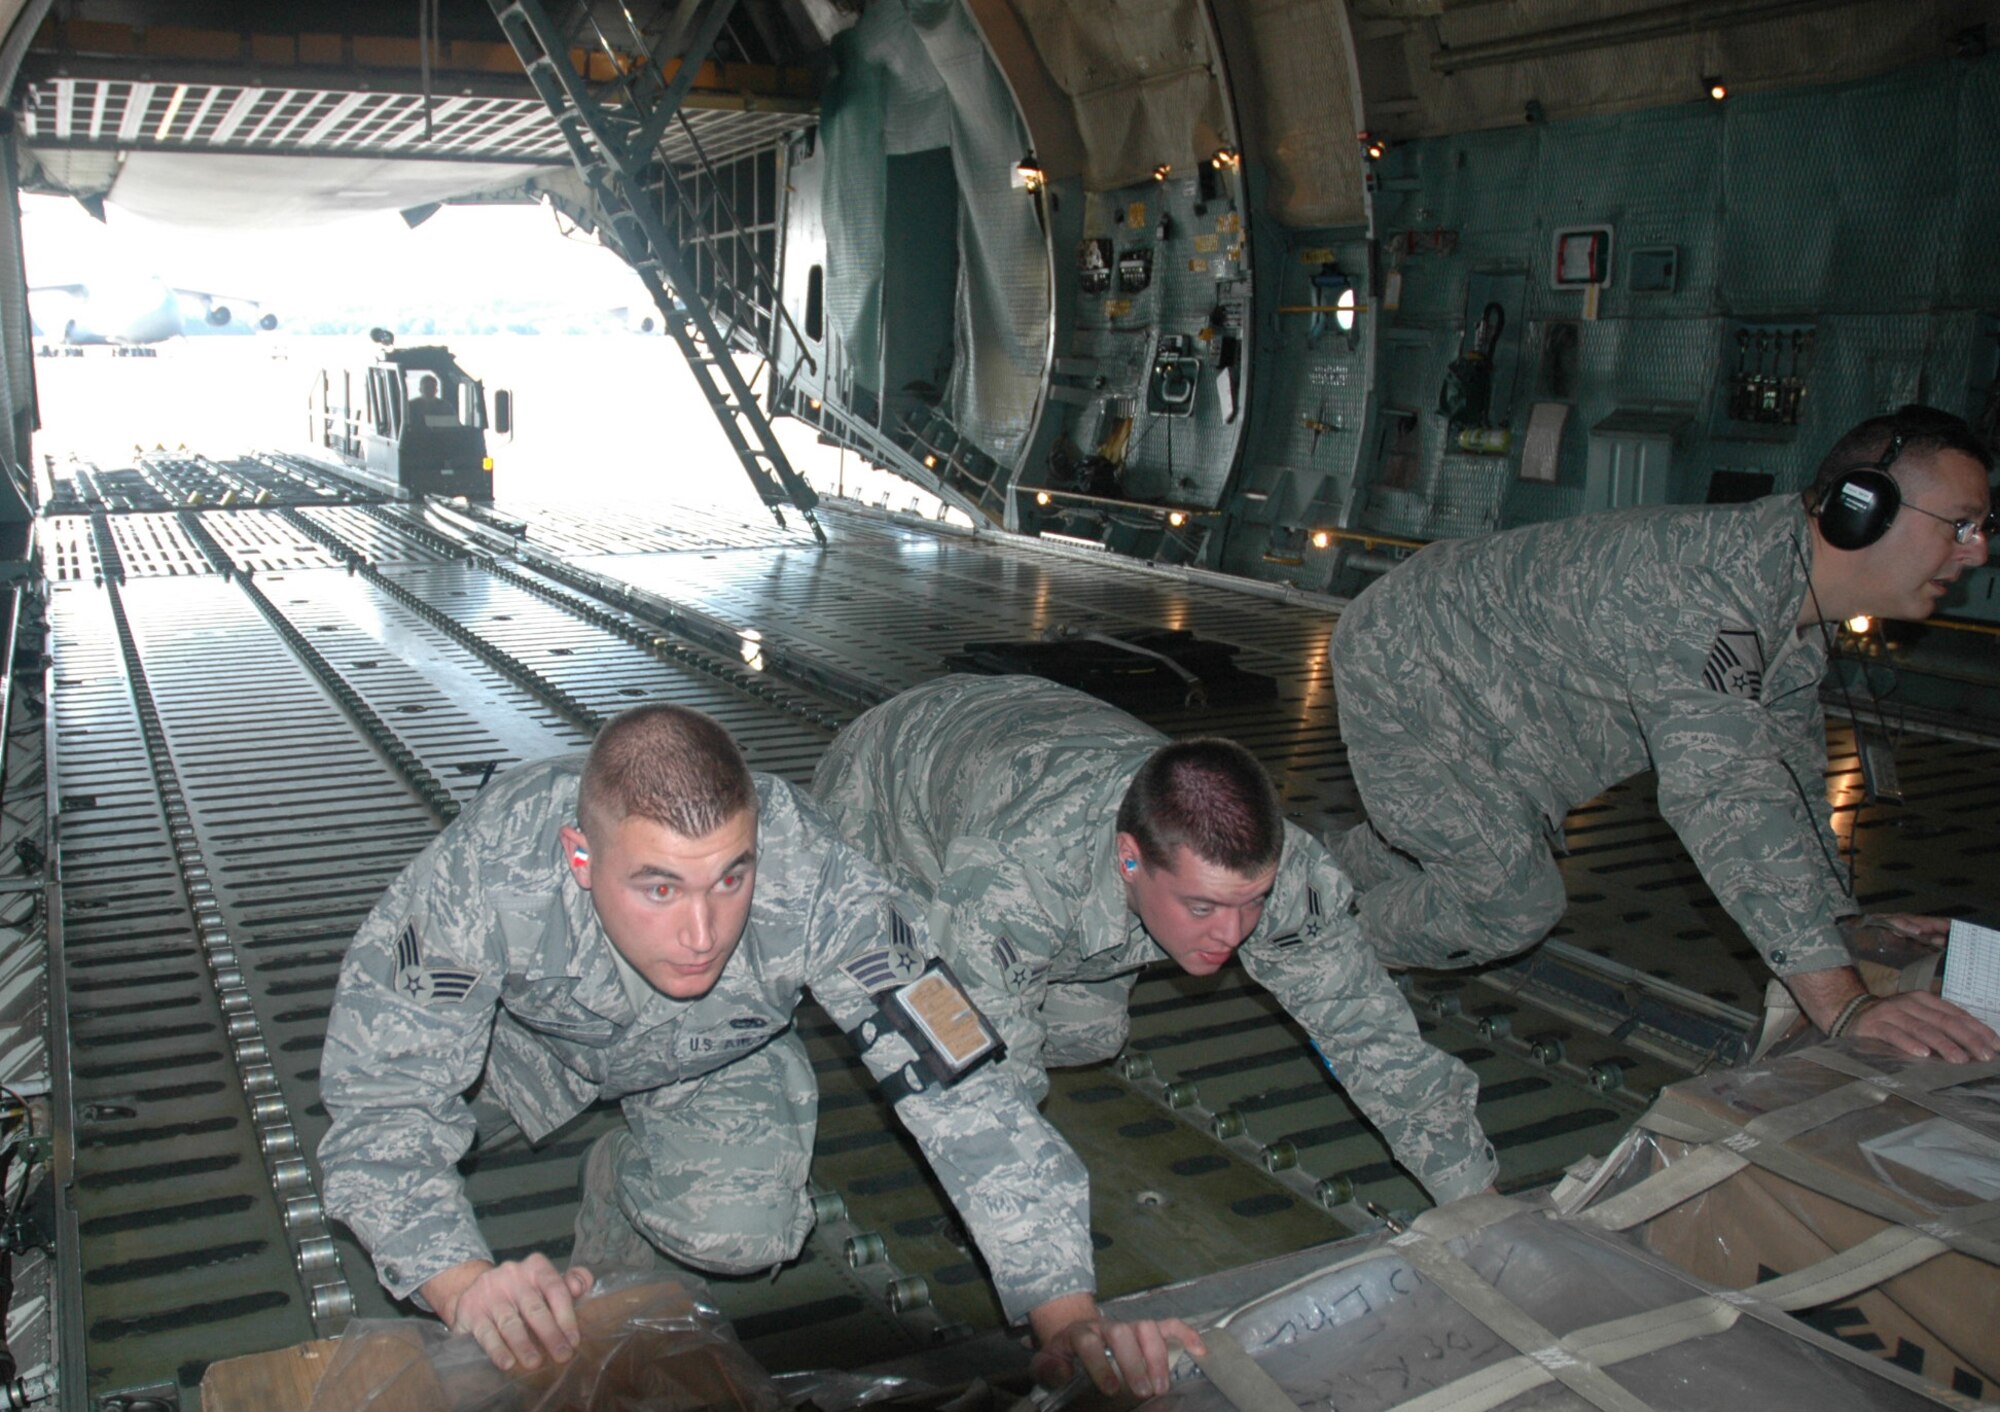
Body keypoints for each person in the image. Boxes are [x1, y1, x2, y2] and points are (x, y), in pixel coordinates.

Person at [319, 704, 1200, 1391]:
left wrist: (1069, 1317)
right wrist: (462, 1280)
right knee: (399, 1188)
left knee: (740, 1232)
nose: (702, 932)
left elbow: (956, 1079)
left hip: (711, 1051)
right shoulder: (486, 874)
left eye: (731, 877)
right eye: (658, 886)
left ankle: (621, 1199)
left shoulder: (819, 874)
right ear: (581, 860)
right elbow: (381, 1107)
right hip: (517, 1052)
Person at [1329, 403, 1998, 1063]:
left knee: (1450, 845)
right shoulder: (1712, 597)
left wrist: (1845, 926)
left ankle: (1305, 874)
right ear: (1863, 509)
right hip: (1412, 658)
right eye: (1960, 525)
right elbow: (1725, 799)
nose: (1978, 552)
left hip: (1501, 702)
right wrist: (1844, 1003)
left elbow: (1784, 779)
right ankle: (1311, 944)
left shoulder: (1787, 609)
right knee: (1508, 901)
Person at [812, 674, 1498, 1209]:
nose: (1233, 934)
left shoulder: (1283, 872)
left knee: (1089, 1036)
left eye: (1250, 902)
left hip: (1035, 732)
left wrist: (1474, 1197)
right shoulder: (1014, 883)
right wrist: (1053, 1289)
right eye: (1202, 906)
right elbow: (985, 1091)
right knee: (928, 1023)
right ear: (1130, 859)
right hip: (892, 781)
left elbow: (1366, 1030)